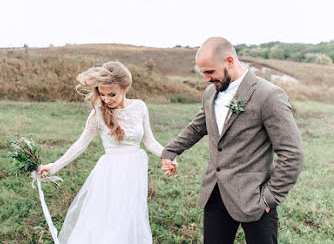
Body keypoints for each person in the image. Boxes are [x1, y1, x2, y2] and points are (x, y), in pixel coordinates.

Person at [161, 37, 304, 244]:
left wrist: (269, 198)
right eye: (203, 73)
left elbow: (292, 153)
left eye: (210, 72)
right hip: (215, 193)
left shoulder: (268, 95)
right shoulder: (210, 92)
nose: (206, 79)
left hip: (254, 197)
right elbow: (198, 127)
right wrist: (170, 151)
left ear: (229, 60)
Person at [38, 61, 176, 244]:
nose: (106, 99)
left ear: (124, 88)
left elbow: (150, 142)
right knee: (110, 219)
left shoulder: (140, 107)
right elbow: (81, 144)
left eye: (112, 94)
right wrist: (54, 166)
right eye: (102, 94)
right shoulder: (98, 114)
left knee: (129, 217)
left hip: (134, 172)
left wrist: (170, 156)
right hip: (111, 173)